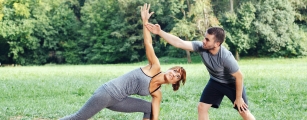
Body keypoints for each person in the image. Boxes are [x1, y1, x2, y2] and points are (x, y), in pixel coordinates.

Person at [60, 3, 186, 120]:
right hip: (107, 93)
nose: (174, 74)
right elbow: (148, 43)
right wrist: (145, 21)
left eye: (177, 76)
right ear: (170, 68)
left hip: (119, 100)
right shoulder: (155, 67)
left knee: (149, 108)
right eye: (174, 70)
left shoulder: (157, 93)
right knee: (78, 118)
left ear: (175, 82)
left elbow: (155, 115)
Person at [145, 23, 255, 119]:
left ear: (217, 44)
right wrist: (159, 32)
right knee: (202, 107)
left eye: (207, 39)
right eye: (204, 38)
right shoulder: (201, 47)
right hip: (215, 82)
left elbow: (239, 76)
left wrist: (239, 98)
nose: (203, 41)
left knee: (243, 112)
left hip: (232, 84)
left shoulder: (226, 57)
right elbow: (179, 42)